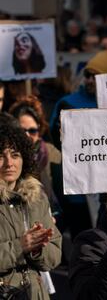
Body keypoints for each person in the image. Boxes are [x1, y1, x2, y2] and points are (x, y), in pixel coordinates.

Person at [0, 124, 61, 299]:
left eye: (15, 155)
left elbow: (54, 256)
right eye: (1, 156)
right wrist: (20, 247)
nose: (9, 163)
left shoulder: (36, 198)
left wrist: (37, 250)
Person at [49, 50, 107, 150]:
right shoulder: (66, 103)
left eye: (96, 76)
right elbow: (54, 138)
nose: (90, 80)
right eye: (87, 75)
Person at [9, 96, 62, 219]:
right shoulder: (6, 157)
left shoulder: (50, 152)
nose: (27, 135)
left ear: (39, 129)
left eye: (32, 131)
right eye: (22, 130)